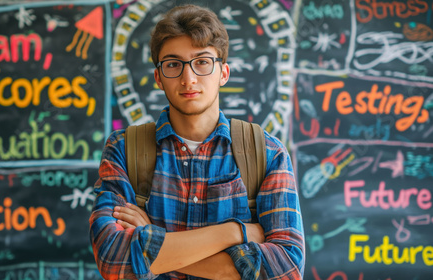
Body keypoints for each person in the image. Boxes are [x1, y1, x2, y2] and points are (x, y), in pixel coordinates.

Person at [89, 4, 304, 279]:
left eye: (202, 61)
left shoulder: (267, 153)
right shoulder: (123, 149)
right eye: (173, 65)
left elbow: (287, 269)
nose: (188, 78)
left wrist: (151, 247)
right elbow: (112, 260)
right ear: (158, 77)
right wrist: (236, 232)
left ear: (223, 73)